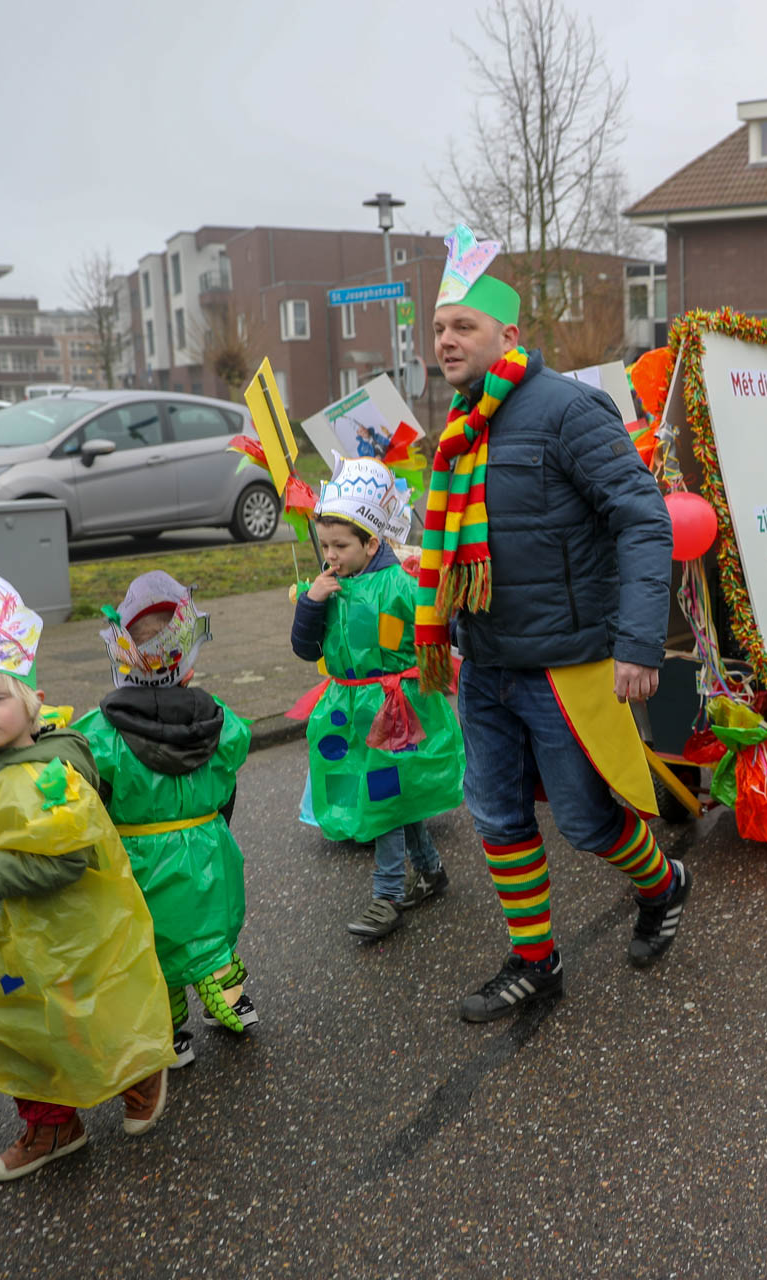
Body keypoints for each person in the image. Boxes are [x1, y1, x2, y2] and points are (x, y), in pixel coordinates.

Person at [417, 226, 687, 1022]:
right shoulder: (460, 427)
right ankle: (536, 963)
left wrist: (639, 642)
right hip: (485, 664)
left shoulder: (568, 409)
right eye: (439, 328)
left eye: (463, 326)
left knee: (589, 822)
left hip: (566, 666)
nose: (446, 340)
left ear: (509, 336)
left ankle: (665, 884)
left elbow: (644, 518)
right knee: (497, 819)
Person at [0, 574, 174, 1181]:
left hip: (64, 931)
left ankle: (138, 1073)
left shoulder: (48, 779)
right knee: (17, 1029)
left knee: (81, 1015)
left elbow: (68, 859)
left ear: (32, 701)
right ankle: (53, 1126)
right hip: (0, 932)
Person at [76, 572, 256, 1070]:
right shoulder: (219, 720)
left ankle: (169, 1034)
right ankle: (231, 998)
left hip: (142, 861)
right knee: (210, 933)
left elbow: (90, 801)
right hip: (208, 849)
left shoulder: (102, 735)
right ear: (188, 667)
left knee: (151, 947)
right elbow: (226, 782)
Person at [293, 457, 465, 941]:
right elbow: (305, 648)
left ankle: (386, 896)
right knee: (392, 794)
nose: (331, 555)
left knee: (382, 795)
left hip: (395, 712)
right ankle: (429, 869)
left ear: (372, 543)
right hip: (350, 709)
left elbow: (443, 627)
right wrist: (310, 603)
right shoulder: (327, 588)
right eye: (325, 545)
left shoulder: (402, 584)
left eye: (341, 546)